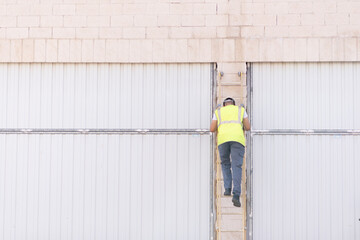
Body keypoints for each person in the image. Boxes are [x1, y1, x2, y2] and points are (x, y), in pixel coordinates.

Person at [210, 97, 250, 207]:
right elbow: (248, 127)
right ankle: (236, 195)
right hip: (237, 140)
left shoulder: (218, 111)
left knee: (225, 163)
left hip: (223, 140)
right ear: (233, 104)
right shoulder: (240, 110)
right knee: (236, 166)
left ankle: (227, 189)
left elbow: (212, 128)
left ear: (224, 105)